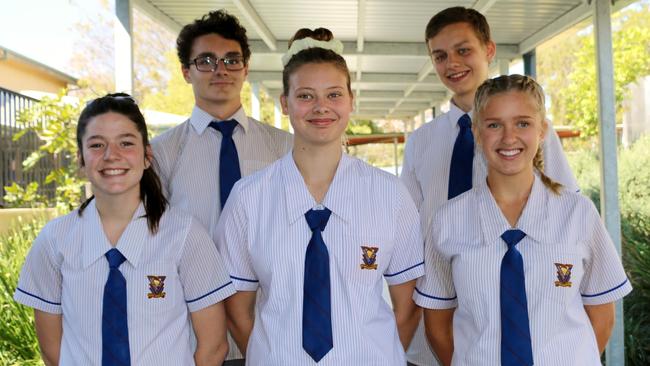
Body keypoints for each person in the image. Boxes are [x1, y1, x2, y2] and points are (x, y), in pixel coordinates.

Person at [216, 28, 424, 365]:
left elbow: (408, 304)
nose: (321, 108)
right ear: (285, 104)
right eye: (306, 96)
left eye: (334, 94)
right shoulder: (248, 198)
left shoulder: (389, 194)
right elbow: (238, 312)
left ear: (351, 102)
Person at [400, 7, 579, 365]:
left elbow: (566, 218)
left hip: (517, 313)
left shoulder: (533, 135)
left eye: (463, 50)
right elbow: (407, 230)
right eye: (440, 55)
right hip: (435, 314)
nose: (452, 63)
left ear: (489, 50)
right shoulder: (421, 142)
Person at [414, 75, 632, 365]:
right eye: (494, 125)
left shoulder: (577, 213)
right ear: (477, 132)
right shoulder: (447, 222)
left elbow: (602, 318)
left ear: (542, 130)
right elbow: (438, 325)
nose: (508, 137)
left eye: (523, 123)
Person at [14, 93, 235, 365]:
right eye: (96, 145)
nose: (111, 155)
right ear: (81, 159)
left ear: (146, 156)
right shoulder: (54, 241)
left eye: (126, 143)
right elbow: (52, 351)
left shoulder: (185, 234)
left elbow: (213, 347)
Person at [150, 11, 292, 363]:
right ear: (186, 71)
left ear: (245, 69)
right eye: (206, 60)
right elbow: (154, 239)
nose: (221, 69)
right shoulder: (162, 152)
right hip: (194, 331)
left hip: (272, 322)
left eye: (232, 60)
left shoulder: (284, 146)